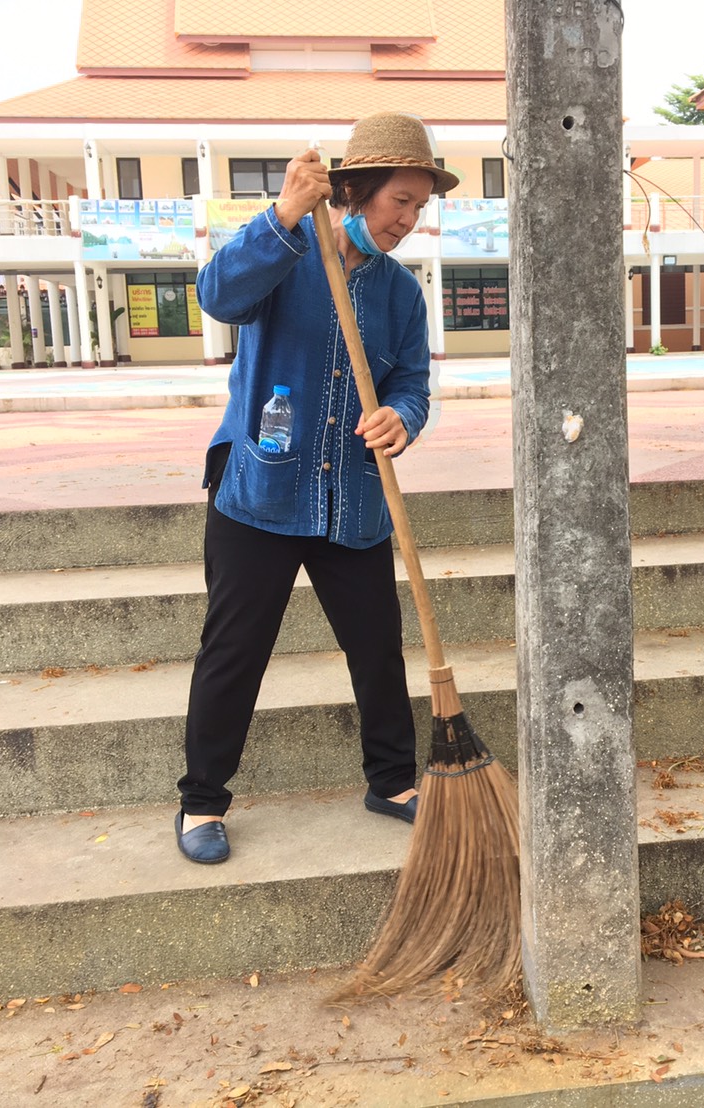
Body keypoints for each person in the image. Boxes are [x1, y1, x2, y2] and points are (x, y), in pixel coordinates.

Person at [175, 113, 457, 864]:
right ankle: (203, 800)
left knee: (375, 647)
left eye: (419, 207)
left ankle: (392, 780)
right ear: (357, 191)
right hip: (260, 493)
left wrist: (403, 415)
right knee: (233, 650)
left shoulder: (400, 295)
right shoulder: (286, 256)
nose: (408, 220)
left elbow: (412, 384)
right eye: (400, 200)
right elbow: (217, 295)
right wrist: (283, 214)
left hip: (353, 502)